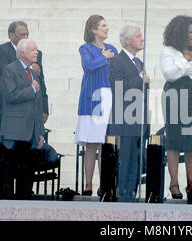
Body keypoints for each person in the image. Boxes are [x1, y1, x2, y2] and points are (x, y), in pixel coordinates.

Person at [160, 15, 192, 203]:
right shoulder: (168, 52)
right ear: (180, 33)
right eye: (190, 32)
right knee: (173, 141)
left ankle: (191, 185)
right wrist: (186, 61)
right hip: (174, 94)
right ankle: (174, 183)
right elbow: (170, 74)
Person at [74, 15, 118, 196]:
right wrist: (103, 57)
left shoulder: (112, 49)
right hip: (91, 98)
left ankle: (105, 184)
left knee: (104, 143)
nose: (107, 28)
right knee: (91, 144)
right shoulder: (85, 48)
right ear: (94, 30)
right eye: (103, 25)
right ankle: (88, 184)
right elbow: (89, 66)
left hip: (107, 96)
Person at [107, 25, 150, 202]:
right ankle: (122, 195)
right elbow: (118, 88)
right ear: (127, 40)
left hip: (138, 122)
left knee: (136, 162)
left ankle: (131, 193)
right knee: (125, 161)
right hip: (124, 121)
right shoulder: (117, 61)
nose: (142, 39)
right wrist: (139, 79)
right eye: (138, 36)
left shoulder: (140, 63)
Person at [0, 39, 46, 200]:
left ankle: (25, 207)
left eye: (37, 49)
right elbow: (10, 95)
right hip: (15, 132)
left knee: (26, 176)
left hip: (31, 133)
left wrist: (41, 132)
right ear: (22, 53)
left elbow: (38, 105)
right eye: (33, 49)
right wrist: (31, 89)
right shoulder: (9, 70)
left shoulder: (33, 73)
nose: (36, 52)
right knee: (11, 173)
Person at [0, 21, 49, 134]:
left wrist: (44, 108)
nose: (25, 37)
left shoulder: (36, 53)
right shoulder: (1, 51)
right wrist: (27, 66)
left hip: (28, 112)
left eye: (27, 34)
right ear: (11, 35)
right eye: (22, 34)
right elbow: (3, 74)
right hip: (4, 109)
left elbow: (41, 82)